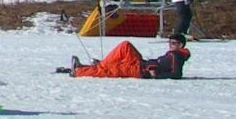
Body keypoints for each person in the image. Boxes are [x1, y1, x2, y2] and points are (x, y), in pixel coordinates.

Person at [63, 35, 191, 79]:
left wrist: (156, 74)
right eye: (169, 42)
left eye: (173, 43)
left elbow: (176, 74)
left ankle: (79, 71)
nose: (170, 45)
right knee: (125, 46)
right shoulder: (173, 54)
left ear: (180, 45)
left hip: (140, 71)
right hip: (141, 63)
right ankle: (102, 64)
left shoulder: (177, 56)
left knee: (112, 70)